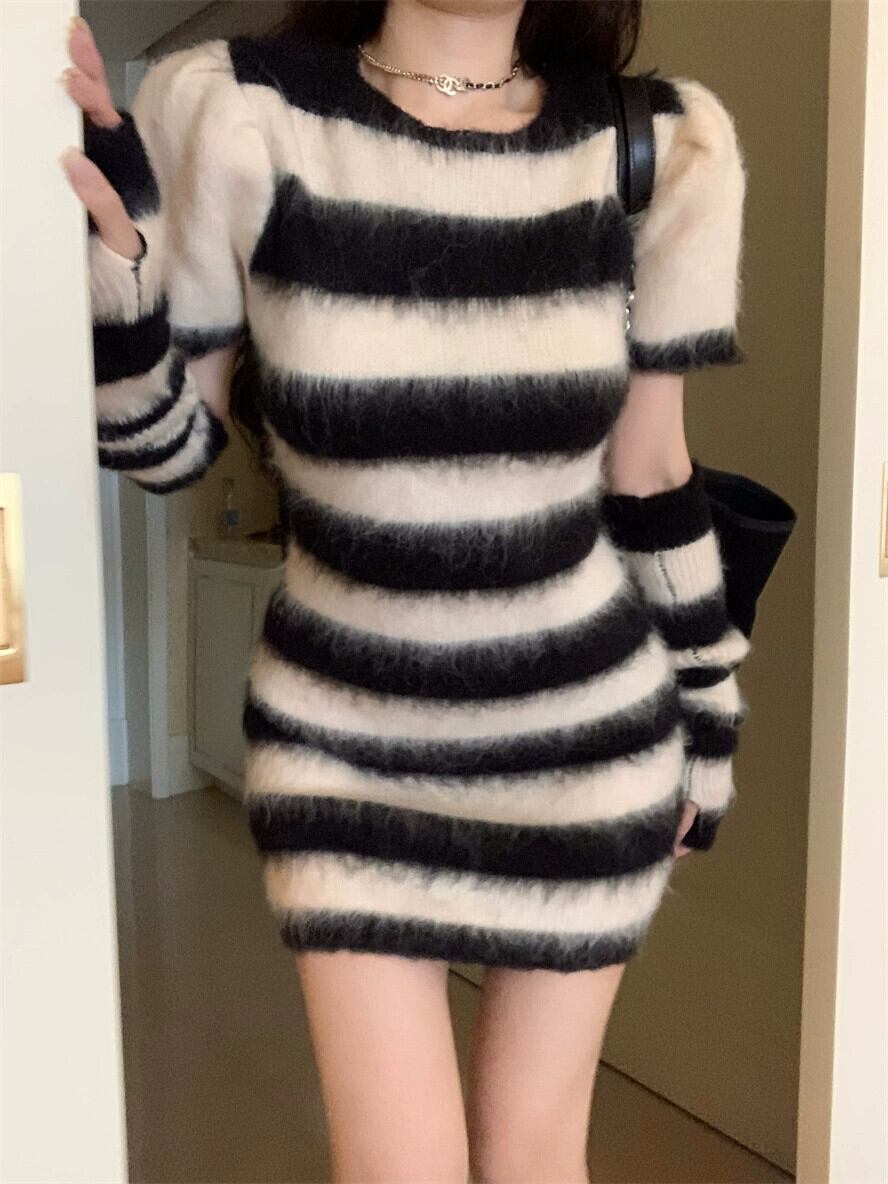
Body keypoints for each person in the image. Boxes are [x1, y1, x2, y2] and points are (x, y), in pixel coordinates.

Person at [61, 2, 751, 1179]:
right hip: (342, 749)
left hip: (586, 746)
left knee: (536, 1156)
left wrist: (711, 719)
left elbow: (650, 475)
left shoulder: (660, 146)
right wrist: (119, 273)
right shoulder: (235, 110)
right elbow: (165, 450)